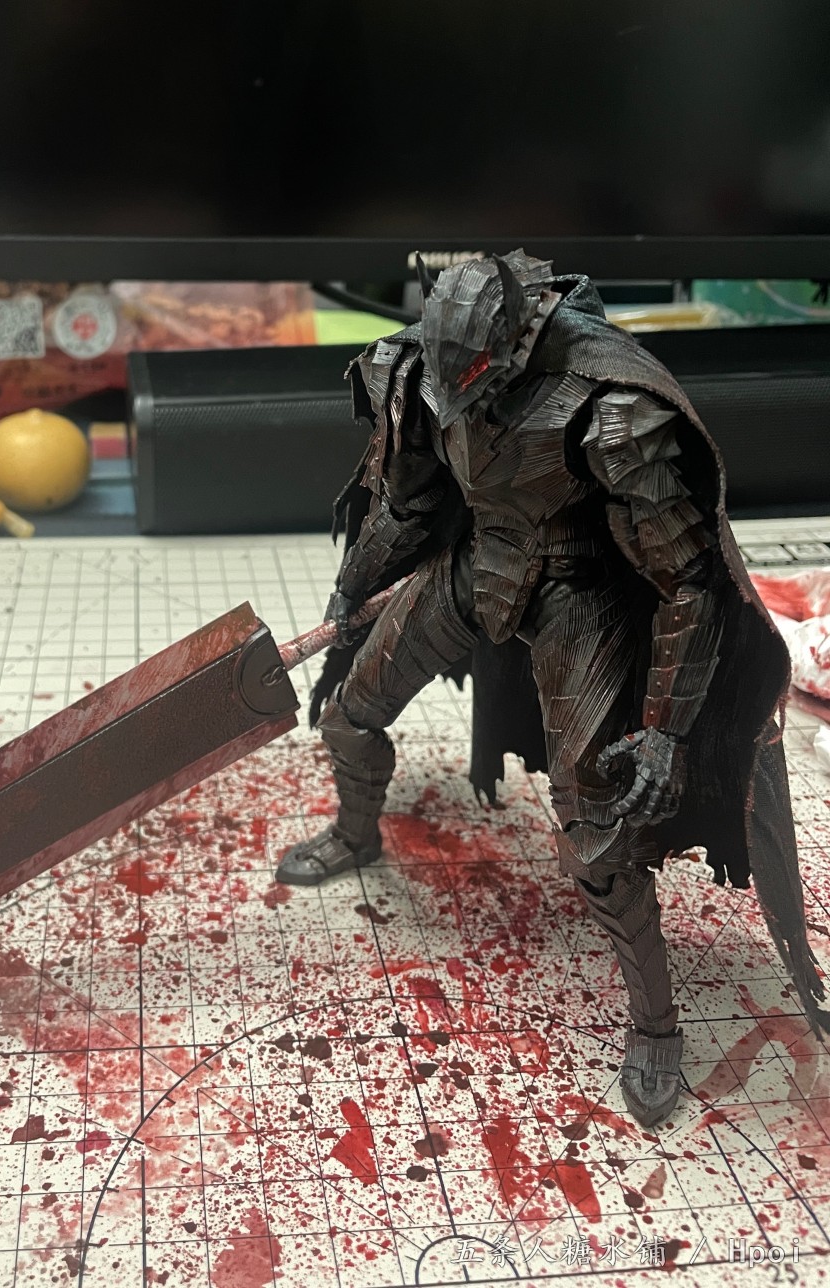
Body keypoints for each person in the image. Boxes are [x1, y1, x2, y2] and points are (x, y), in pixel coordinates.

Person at [279, 249, 827, 1125]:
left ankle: (655, 1025)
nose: (458, 394)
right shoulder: (416, 373)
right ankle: (354, 833)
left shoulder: (607, 409)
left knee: (599, 840)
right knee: (349, 717)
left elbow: (687, 582)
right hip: (475, 567)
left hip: (579, 595)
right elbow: (408, 504)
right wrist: (352, 590)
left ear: (518, 342)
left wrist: (664, 731)